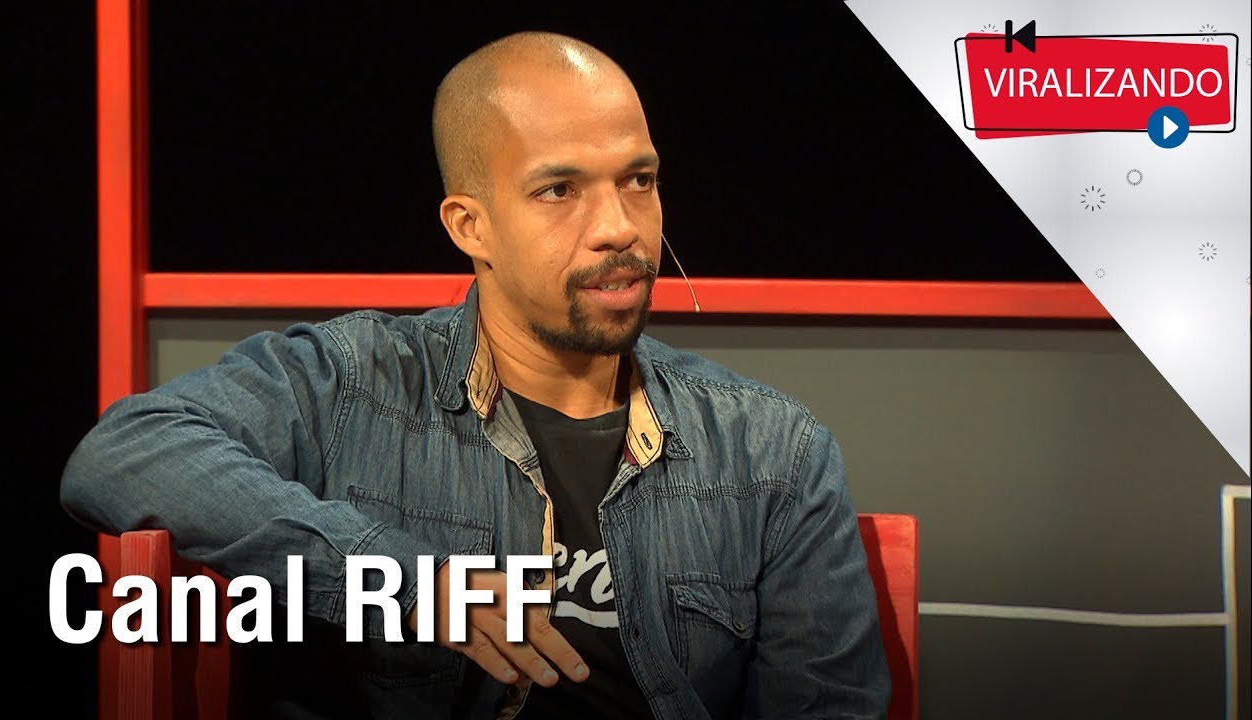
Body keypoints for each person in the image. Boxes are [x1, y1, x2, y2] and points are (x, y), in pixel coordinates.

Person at [60, 31, 891, 719]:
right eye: (559, 189)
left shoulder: (772, 451)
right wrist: (407, 582)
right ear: (470, 226)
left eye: (638, 180)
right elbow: (125, 451)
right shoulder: (351, 385)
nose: (619, 227)